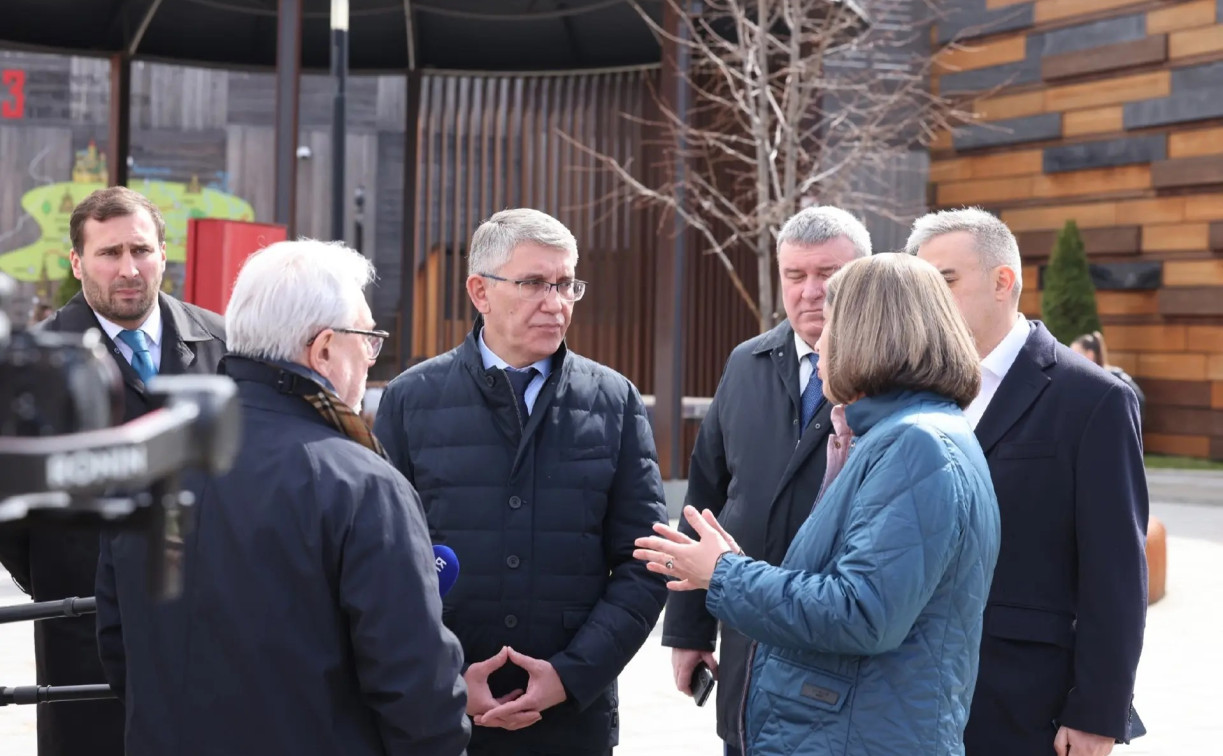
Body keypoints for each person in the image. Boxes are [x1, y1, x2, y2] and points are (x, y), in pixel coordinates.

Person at [94, 239, 470, 756]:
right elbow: (417, 690)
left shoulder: (148, 463)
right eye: (367, 339)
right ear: (322, 350)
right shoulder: (362, 484)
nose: (369, 356)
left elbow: (118, 648)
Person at [635, 252, 1001, 755]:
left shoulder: (914, 445)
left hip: (860, 735)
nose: (819, 339)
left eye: (834, 323)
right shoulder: (908, 433)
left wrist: (724, 573)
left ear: (869, 334)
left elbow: (861, 612)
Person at [374, 208, 668, 756]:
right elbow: (383, 564)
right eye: (534, 283)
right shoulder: (411, 400)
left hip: (571, 721)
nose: (555, 302)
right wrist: (448, 678)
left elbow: (645, 561)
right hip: (440, 716)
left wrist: (571, 675)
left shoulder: (613, 401)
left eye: (565, 284)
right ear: (479, 292)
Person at [909, 208, 1148, 756]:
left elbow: (1116, 573)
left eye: (945, 281)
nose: (929, 301)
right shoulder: (916, 390)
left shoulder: (1093, 399)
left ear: (1003, 281)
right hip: (914, 694)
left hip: (1027, 703)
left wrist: (1097, 711)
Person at [0, 186, 225, 756]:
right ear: (76, 262)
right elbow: (12, 515)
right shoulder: (36, 363)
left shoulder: (225, 341)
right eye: (108, 253)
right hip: (84, 632)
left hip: (215, 626)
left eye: (140, 250)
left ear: (163, 254)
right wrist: (78, 576)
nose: (128, 269)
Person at [660, 205, 869, 755]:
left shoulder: (890, 384)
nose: (811, 291)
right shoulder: (746, 363)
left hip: (839, 656)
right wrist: (688, 632)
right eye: (795, 276)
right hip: (747, 653)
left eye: (829, 274)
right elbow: (703, 499)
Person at [1071, 331, 1145, 419]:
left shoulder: (1113, 377)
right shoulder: (1088, 380)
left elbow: (1138, 398)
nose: (1072, 360)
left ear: (1089, 355)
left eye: (1075, 354)